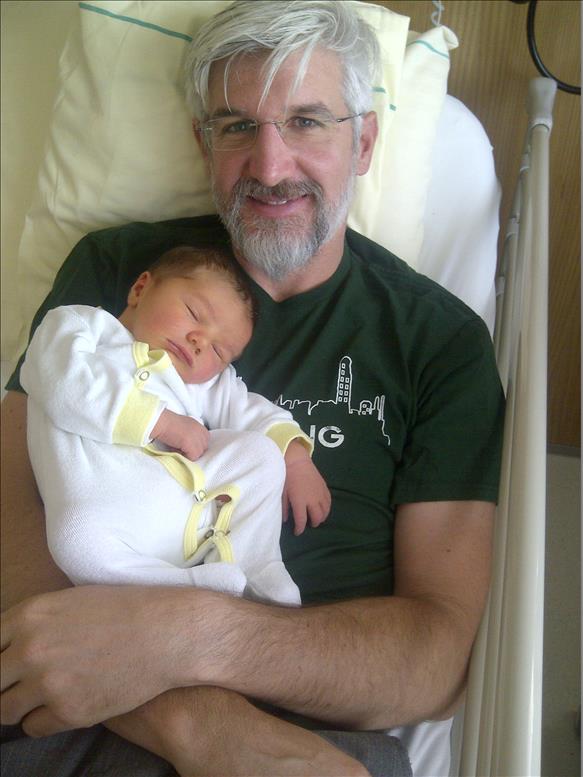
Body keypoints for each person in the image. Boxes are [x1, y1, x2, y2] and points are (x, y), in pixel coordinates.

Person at [0, 2, 505, 776]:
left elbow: (433, 660)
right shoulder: (120, 271)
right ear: (203, 143)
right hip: (64, 697)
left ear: (364, 142)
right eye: (237, 126)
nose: (270, 167)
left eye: (307, 121)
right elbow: (6, 500)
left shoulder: (438, 342)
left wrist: (191, 639)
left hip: (304, 728)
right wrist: (201, 727)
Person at [20, 244, 331, 606]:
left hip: (187, 510)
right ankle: (192, 584)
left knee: (260, 454)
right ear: (140, 289)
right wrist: (160, 422)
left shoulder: (201, 383)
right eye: (194, 313)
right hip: (107, 521)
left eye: (219, 351)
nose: (201, 342)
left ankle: (257, 565)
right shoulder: (82, 326)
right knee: (74, 541)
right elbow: (60, 381)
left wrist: (295, 460)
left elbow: (250, 410)